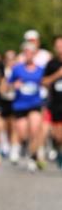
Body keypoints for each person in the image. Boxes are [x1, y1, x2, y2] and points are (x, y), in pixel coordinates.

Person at [8, 41, 46, 172]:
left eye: (31, 52)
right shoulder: (17, 68)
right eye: (26, 52)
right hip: (20, 105)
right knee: (23, 133)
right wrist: (14, 85)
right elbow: (6, 86)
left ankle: (33, 157)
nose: (28, 54)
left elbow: (46, 83)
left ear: (35, 54)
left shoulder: (41, 69)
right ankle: (27, 149)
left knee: (35, 129)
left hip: (35, 104)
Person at [42, 34, 62, 168]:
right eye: (58, 45)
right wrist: (58, 75)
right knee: (58, 136)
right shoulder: (51, 64)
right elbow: (44, 82)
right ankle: (59, 151)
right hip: (56, 103)